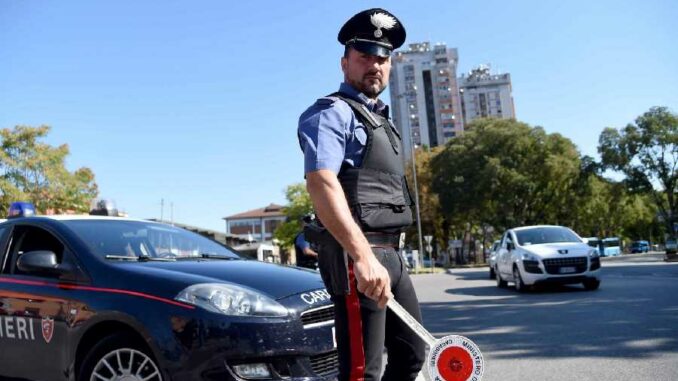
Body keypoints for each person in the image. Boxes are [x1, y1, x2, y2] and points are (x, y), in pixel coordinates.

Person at [297, 8, 425, 381]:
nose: (375, 65)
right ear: (345, 63)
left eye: (382, 58)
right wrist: (363, 257)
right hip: (358, 258)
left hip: (391, 254)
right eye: (365, 56)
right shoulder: (332, 113)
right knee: (361, 372)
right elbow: (321, 182)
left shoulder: (381, 120)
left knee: (411, 357)